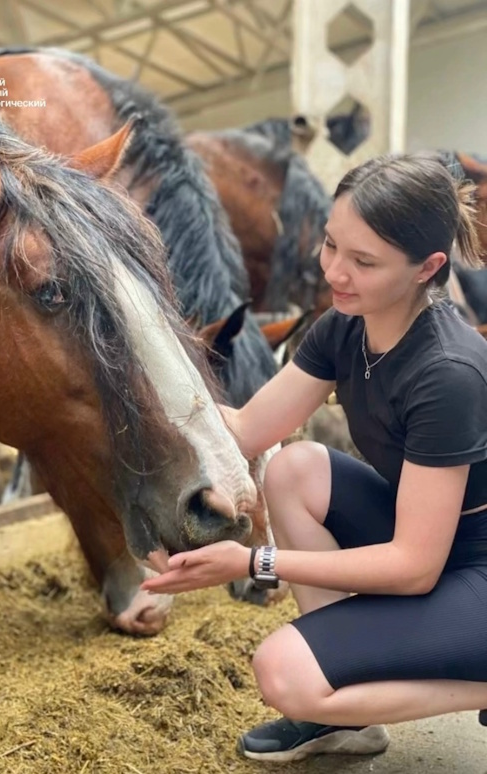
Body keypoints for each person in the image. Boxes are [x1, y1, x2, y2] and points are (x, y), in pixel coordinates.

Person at [141, 153, 487, 763]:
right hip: (431, 538)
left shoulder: (446, 373)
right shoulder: (346, 327)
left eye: (364, 261)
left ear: (427, 268)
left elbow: (414, 567)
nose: (335, 271)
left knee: (283, 675)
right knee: (293, 468)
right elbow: (246, 430)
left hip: (468, 569)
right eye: (331, 245)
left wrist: (253, 561)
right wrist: (139, 422)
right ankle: (343, 714)